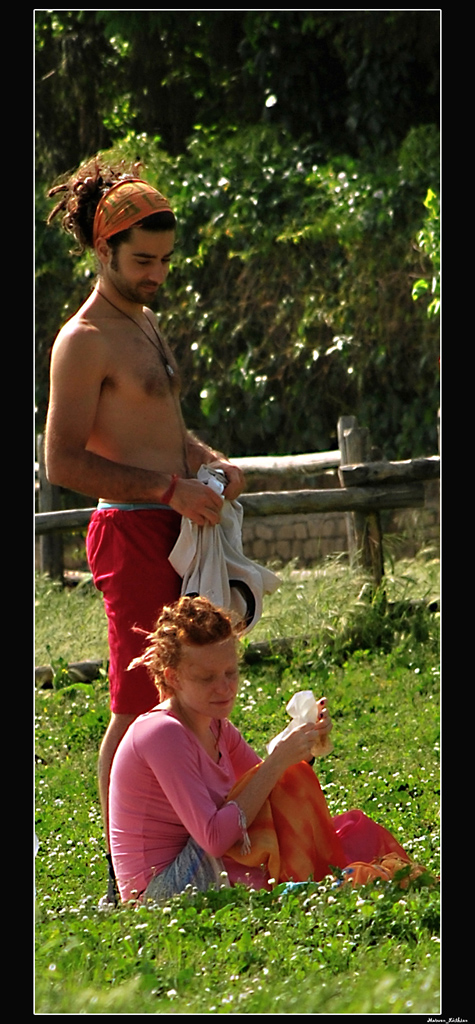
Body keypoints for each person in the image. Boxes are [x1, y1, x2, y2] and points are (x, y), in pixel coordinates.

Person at [44, 161, 245, 901]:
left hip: (176, 522)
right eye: (142, 261)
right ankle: (121, 875)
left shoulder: (144, 319)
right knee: (135, 702)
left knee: (187, 687)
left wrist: (205, 463)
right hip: (130, 531)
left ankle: (183, 840)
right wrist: (167, 488)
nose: (157, 274)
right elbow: (62, 461)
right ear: (104, 250)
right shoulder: (83, 339)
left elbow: (159, 432)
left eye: (164, 260)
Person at [109, 596, 418, 904]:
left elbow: (272, 795)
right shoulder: (163, 733)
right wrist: (278, 760)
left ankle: (322, 881)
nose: (224, 688)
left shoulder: (215, 725)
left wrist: (304, 744)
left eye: (231, 673)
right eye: (207, 678)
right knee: (316, 863)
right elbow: (215, 838)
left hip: (202, 863)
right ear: (173, 677)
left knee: (325, 820)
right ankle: (320, 883)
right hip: (160, 891)